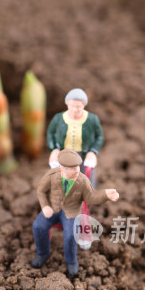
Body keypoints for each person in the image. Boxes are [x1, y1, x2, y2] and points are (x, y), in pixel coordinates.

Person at [31, 149, 119, 276]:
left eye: (77, 167)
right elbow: (41, 191)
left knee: (71, 235)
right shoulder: (52, 175)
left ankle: (71, 261)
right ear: (62, 168)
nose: (77, 170)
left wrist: (105, 194)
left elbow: (91, 197)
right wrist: (45, 206)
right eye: (72, 168)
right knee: (38, 226)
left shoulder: (82, 181)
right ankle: (42, 253)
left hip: (71, 213)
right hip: (53, 209)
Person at [46, 88, 105, 249]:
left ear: (84, 106)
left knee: (84, 191)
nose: (75, 110)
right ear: (67, 104)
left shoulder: (91, 119)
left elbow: (99, 136)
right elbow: (50, 133)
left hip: (82, 157)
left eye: (79, 106)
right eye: (72, 106)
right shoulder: (59, 119)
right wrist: (54, 149)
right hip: (63, 157)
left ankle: (82, 224)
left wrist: (92, 152)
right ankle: (61, 218)